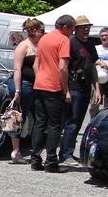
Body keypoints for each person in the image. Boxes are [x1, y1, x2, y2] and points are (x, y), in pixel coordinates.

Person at [30, 14, 75, 173]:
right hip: (54, 87)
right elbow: (63, 68)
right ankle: (51, 162)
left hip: (39, 84)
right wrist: (66, 90)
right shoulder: (63, 40)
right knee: (55, 125)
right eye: (72, 29)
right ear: (65, 27)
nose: (72, 33)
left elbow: (36, 65)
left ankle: (35, 160)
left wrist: (41, 78)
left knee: (39, 122)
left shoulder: (44, 39)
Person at [59, 15, 101, 167]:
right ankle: (65, 154)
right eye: (83, 27)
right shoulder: (71, 43)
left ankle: (67, 152)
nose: (86, 30)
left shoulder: (90, 45)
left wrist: (97, 89)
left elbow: (93, 68)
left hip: (85, 87)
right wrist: (67, 90)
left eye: (87, 27)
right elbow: (64, 68)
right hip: (74, 85)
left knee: (77, 122)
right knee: (71, 121)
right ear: (76, 29)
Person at [7, 18, 44, 164]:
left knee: (36, 118)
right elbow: (17, 69)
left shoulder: (39, 45)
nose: (43, 33)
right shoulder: (24, 46)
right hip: (24, 84)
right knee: (18, 116)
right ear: (34, 31)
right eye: (42, 30)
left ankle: (34, 150)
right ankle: (15, 151)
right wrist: (17, 90)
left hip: (36, 85)